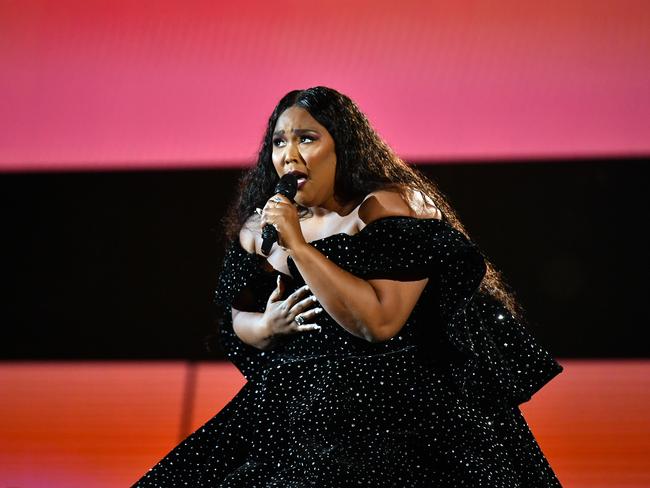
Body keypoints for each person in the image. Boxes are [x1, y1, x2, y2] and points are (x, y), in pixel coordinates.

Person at [135, 86, 564, 487]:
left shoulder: (392, 207)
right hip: (291, 404)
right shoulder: (261, 226)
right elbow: (232, 321)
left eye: (307, 139)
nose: (289, 156)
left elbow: (378, 322)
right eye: (279, 142)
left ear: (344, 147)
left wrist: (300, 249)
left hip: (394, 407)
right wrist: (266, 326)